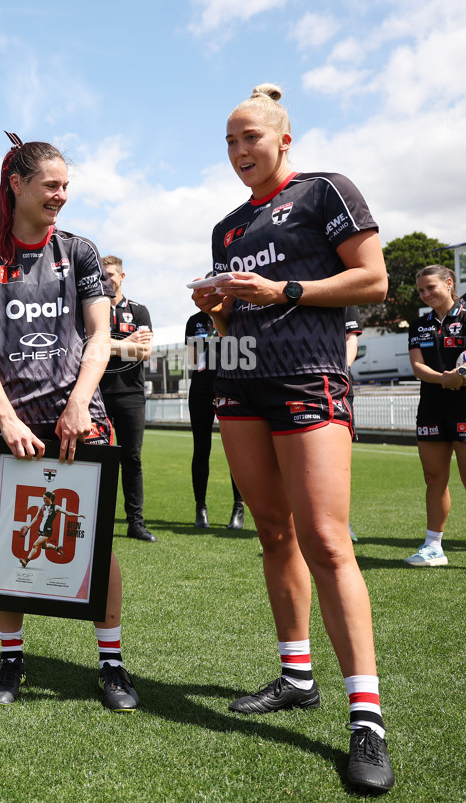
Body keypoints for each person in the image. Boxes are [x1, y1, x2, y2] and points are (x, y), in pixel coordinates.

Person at [191, 84, 394, 793]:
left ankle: (365, 718)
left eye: (251, 137)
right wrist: (216, 306)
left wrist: (286, 292)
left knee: (328, 543)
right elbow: (230, 325)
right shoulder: (225, 228)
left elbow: (373, 280)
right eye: (230, 141)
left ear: (282, 139)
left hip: (310, 376)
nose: (240, 150)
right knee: (273, 534)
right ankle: (296, 675)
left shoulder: (324, 191)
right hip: (239, 380)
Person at [0, 135, 139, 712]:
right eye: (50, 185)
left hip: (79, 423)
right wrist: (5, 419)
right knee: (10, 546)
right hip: (12, 427)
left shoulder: (80, 252)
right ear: (18, 185)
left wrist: (81, 402)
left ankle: (112, 664)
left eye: (65, 186)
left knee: (95, 543)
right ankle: (11, 659)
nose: (61, 195)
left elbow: (100, 335)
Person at [405, 264, 466, 566]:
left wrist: (462, 375)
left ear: (449, 283)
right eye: (421, 290)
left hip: (464, 407)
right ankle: (433, 547)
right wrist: (446, 377)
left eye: (431, 287)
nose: (426, 294)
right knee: (434, 478)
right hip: (431, 408)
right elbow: (417, 367)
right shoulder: (418, 326)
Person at [99, 256, 156, 542]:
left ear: (122, 276)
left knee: (131, 459)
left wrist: (107, 346)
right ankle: (97, 522)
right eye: (101, 275)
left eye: (110, 275)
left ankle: (136, 523)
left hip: (131, 395)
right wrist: (126, 345)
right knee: (96, 458)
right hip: (95, 395)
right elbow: (87, 347)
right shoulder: (91, 310)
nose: (106, 279)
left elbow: (144, 353)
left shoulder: (139, 311)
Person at [185, 303, 244, 529]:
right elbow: (192, 360)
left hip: (230, 388)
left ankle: (238, 506)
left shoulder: (235, 317)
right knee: (201, 448)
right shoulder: (194, 321)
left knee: (235, 451)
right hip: (200, 390)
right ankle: (201, 507)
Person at [18, 490, 86, 567]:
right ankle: (58, 548)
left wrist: (79, 515)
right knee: (44, 546)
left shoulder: (56, 507)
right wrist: (28, 527)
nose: (44, 500)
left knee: (35, 545)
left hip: (48, 530)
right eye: (43, 498)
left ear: (50, 498)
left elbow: (67, 513)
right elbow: (36, 517)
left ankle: (26, 561)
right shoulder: (42, 506)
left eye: (45, 498)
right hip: (41, 530)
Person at [345, 306, 363, 542]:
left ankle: (341, 522)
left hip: (337, 386)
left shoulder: (345, 299)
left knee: (337, 462)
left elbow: (351, 339)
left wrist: (341, 370)